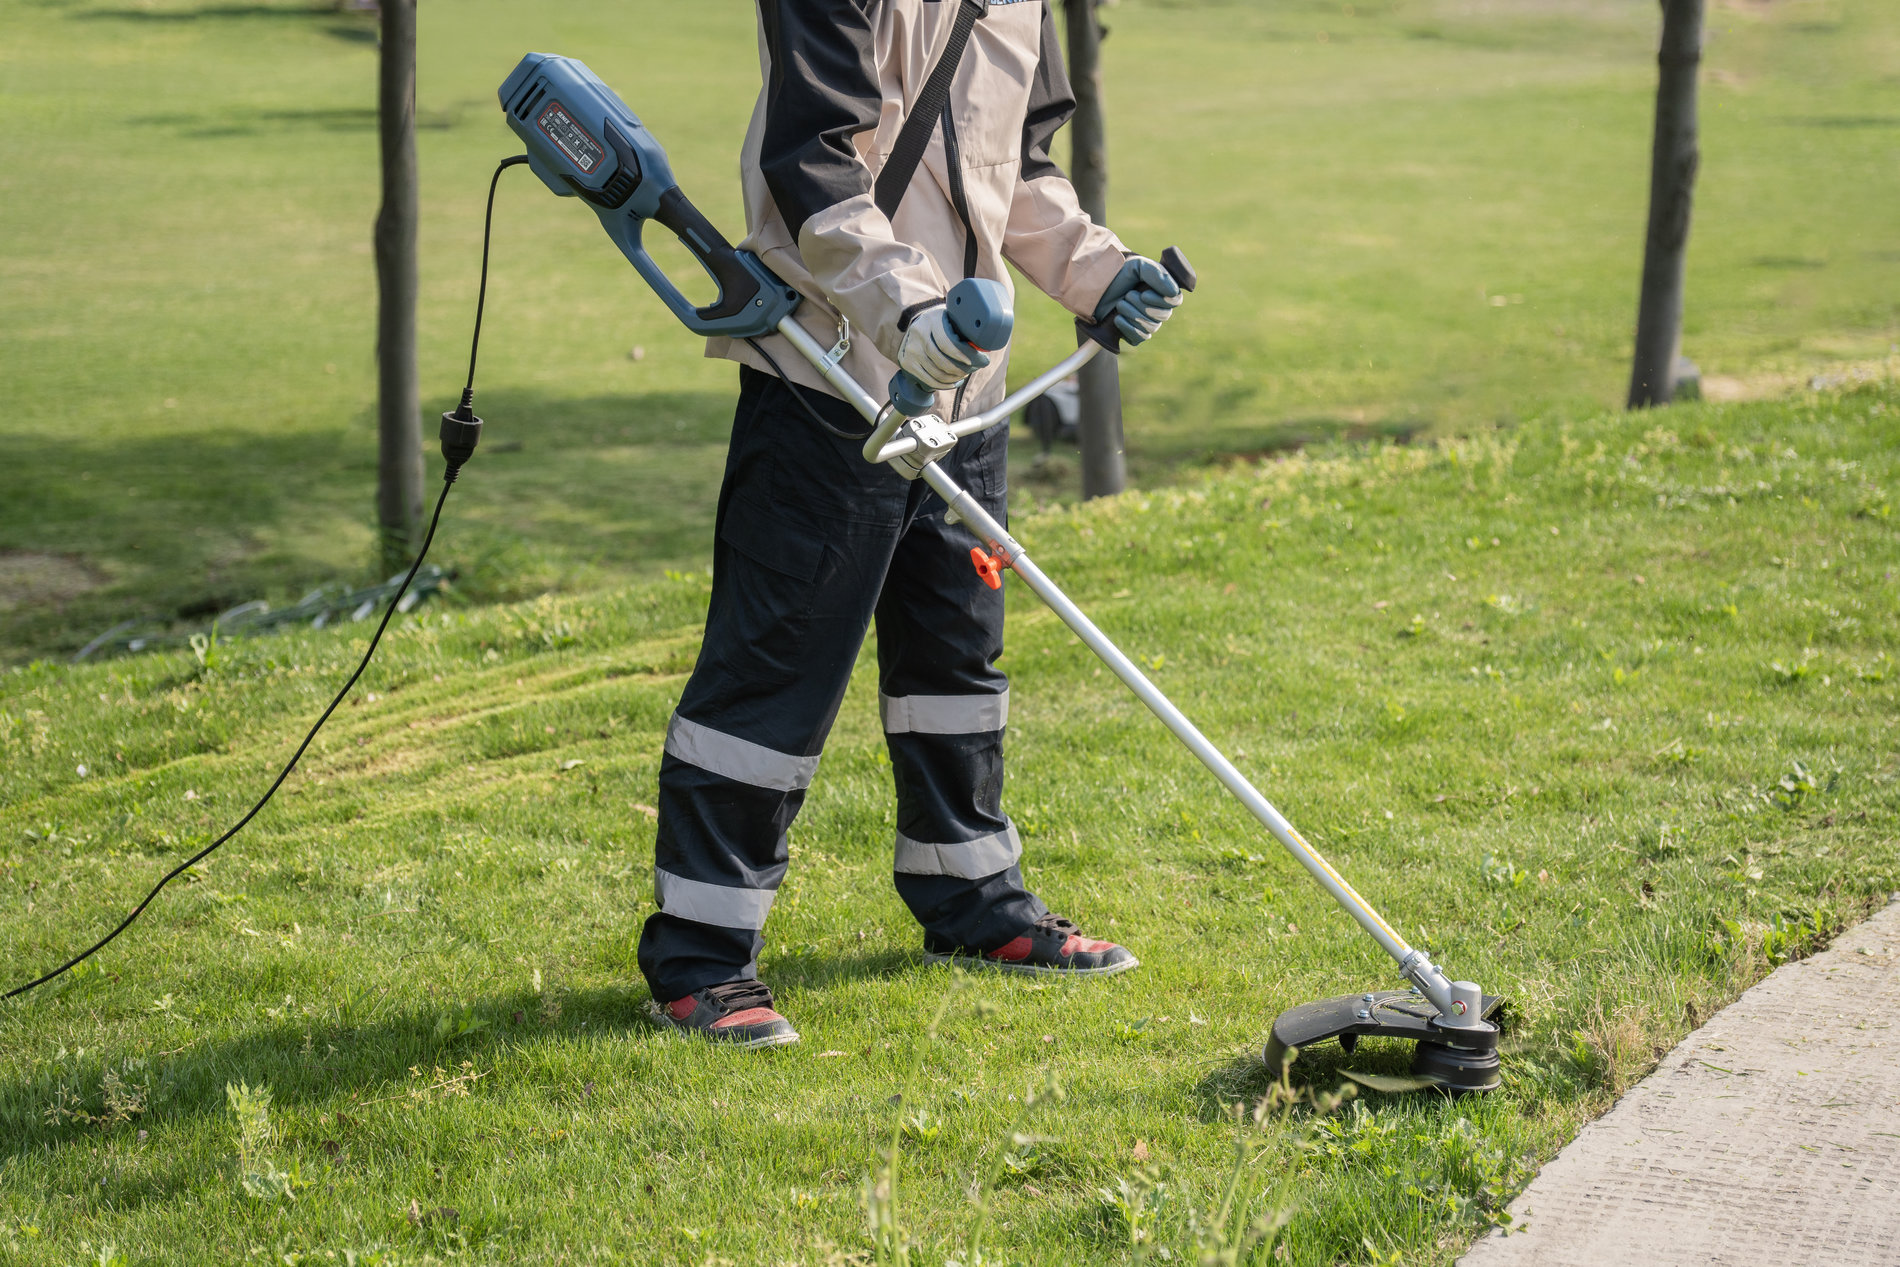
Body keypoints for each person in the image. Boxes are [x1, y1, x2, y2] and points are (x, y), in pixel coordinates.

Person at [640, 0, 1185, 1048]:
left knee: (954, 662)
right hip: (834, 374)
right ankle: (700, 958)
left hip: (966, 391)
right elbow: (815, 165)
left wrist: (1100, 271)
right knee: (774, 671)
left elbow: (1019, 172)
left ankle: (973, 900)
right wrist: (912, 317)